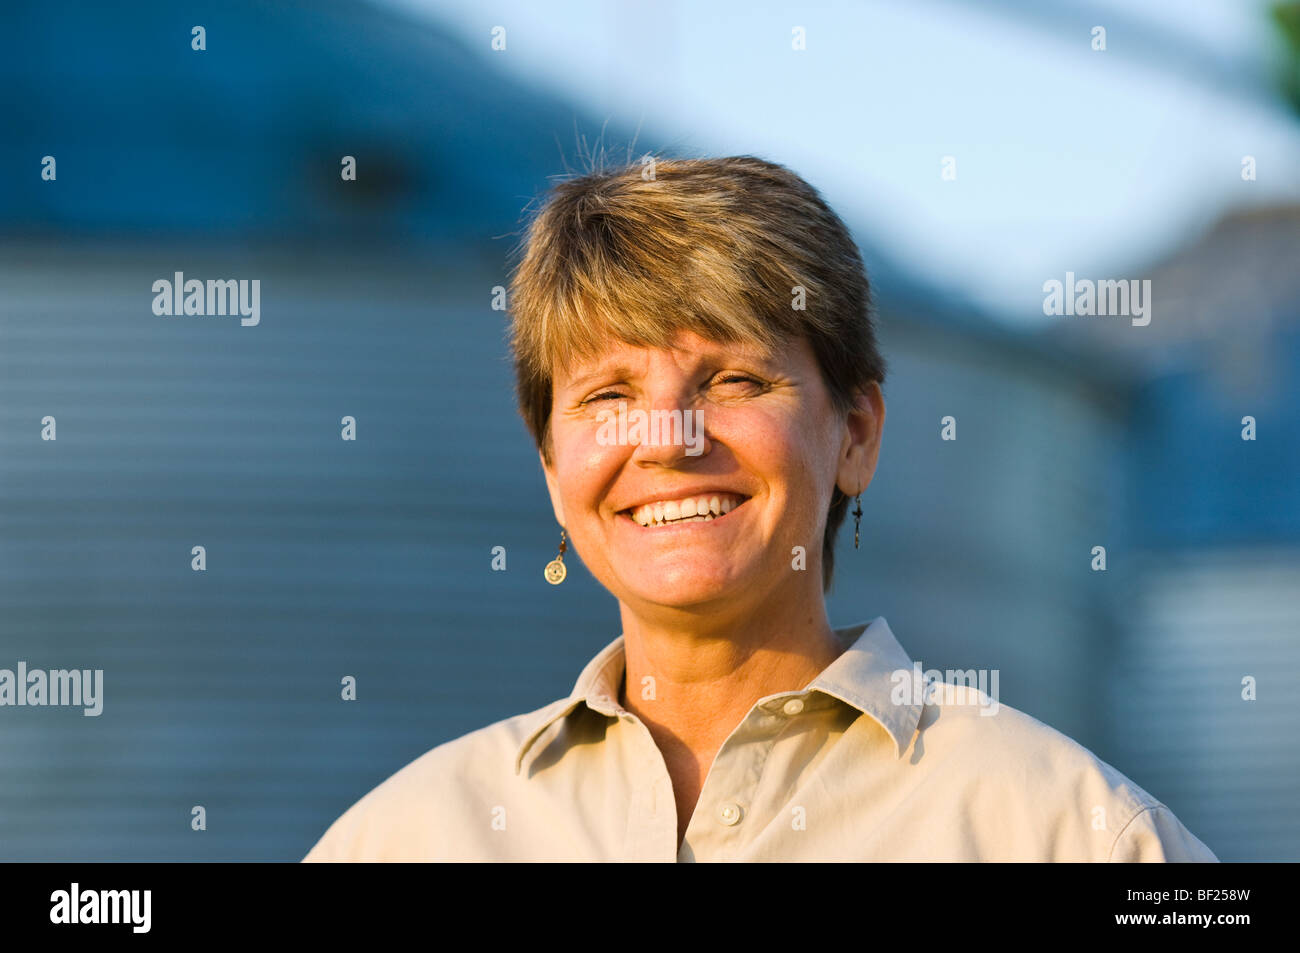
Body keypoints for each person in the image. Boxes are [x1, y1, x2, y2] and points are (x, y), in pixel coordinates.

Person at [303, 155, 1216, 862]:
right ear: (552, 462)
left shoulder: (1068, 831)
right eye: (608, 395)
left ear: (855, 433)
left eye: (735, 378)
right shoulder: (410, 836)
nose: (667, 438)